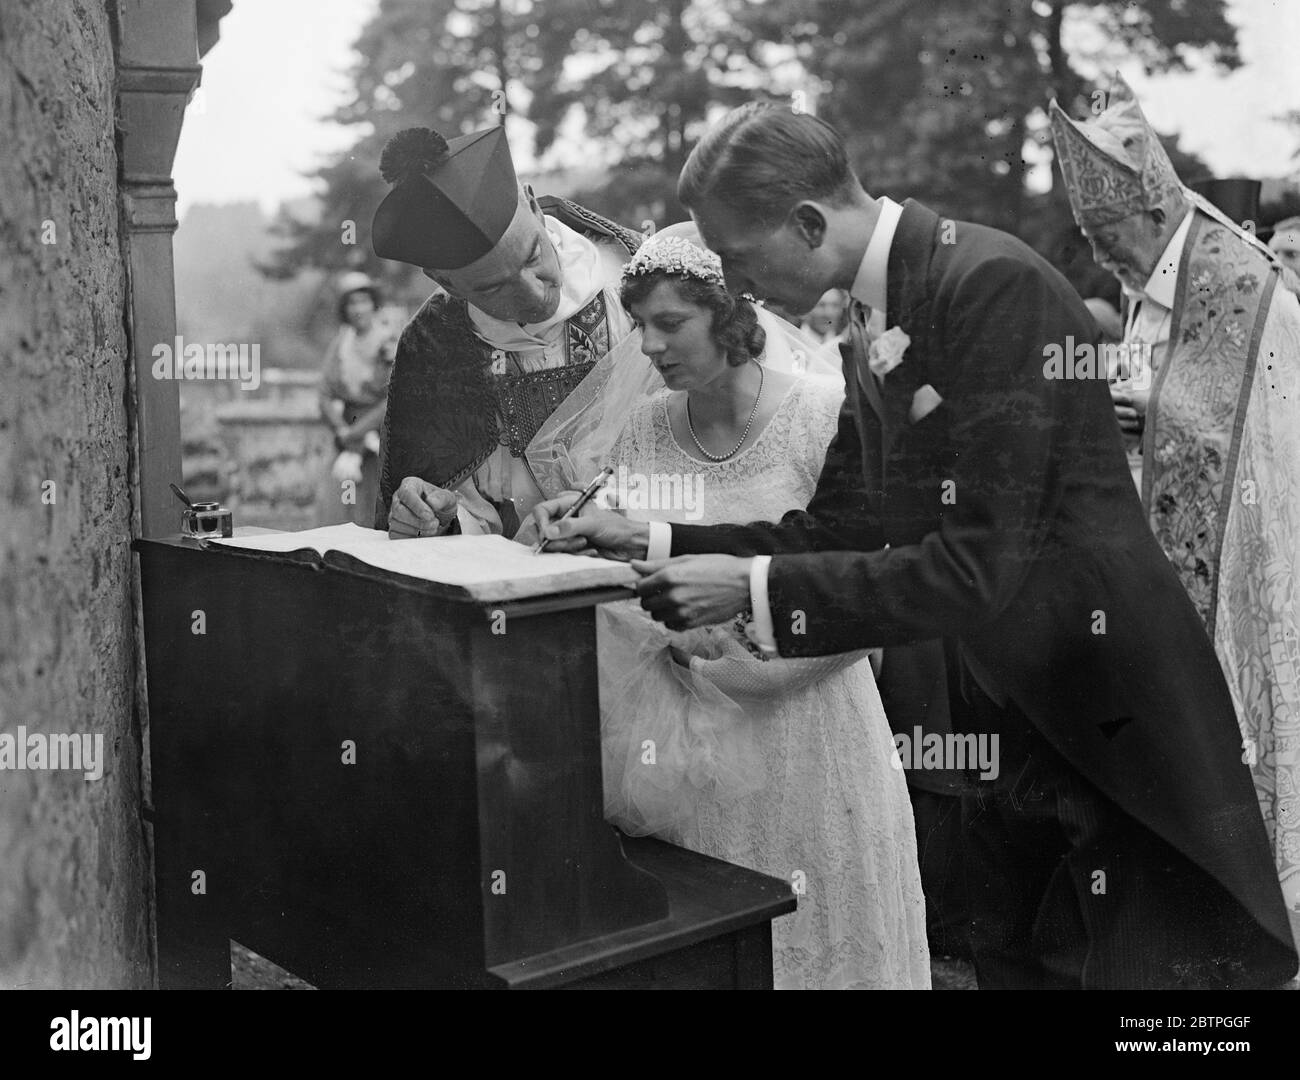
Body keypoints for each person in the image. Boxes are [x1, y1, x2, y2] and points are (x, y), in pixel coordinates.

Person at [532, 101, 1299, 989]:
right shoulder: (875, 321)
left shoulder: (993, 286)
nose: (736, 283)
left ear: (809, 223)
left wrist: (745, 593)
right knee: (1022, 965)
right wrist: (654, 536)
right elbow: (840, 529)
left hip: (1105, 714)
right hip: (1011, 715)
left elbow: (981, 565)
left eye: (739, 258)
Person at [526, 233, 929, 989]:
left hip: (816, 743)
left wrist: (734, 656)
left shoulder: (821, 414)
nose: (647, 345)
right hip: (696, 757)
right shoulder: (647, 425)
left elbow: (855, 586)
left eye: (669, 323)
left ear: (729, 314)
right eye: (639, 324)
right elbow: (632, 562)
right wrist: (581, 534)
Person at [1052, 76, 1300, 950]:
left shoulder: (1233, 276)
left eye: (1108, 234)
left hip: (1246, 556)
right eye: (1091, 238)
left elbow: (1260, 423)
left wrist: (1148, 411)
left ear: (1150, 209)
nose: (1101, 255)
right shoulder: (1152, 275)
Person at [369, 124, 643, 538]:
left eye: (533, 255)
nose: (533, 295)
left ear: (533, 205)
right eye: (494, 287)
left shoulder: (637, 281)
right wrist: (440, 516)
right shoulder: (434, 347)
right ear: (445, 282)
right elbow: (468, 518)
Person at [317, 272, 401, 525]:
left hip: (379, 439)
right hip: (346, 437)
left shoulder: (389, 342)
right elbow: (324, 393)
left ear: (374, 304)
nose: (358, 309)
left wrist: (358, 432)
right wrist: (342, 429)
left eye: (363, 301)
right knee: (337, 504)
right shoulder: (341, 341)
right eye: (351, 303)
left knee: (373, 508)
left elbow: (392, 398)